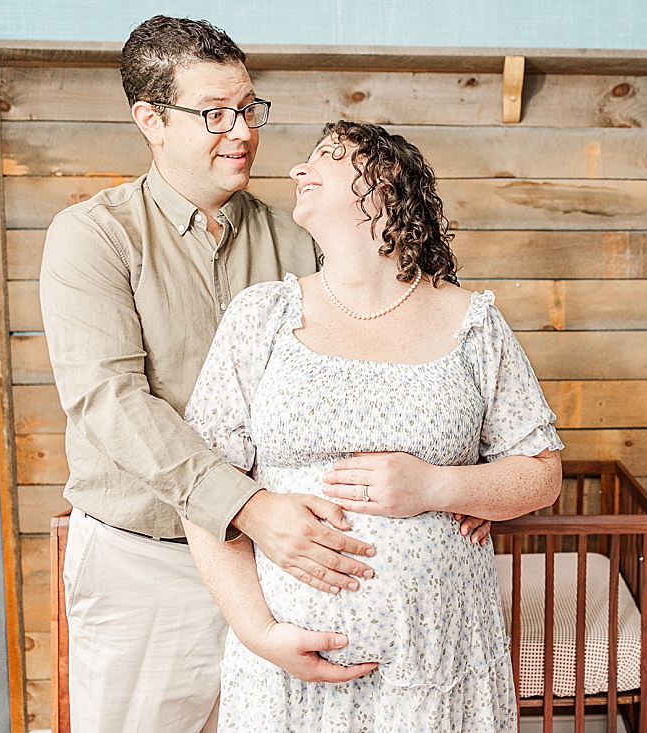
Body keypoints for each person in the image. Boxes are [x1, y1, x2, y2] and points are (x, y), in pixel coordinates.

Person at [39, 16, 487, 732]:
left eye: (248, 108)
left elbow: (380, 350)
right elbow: (111, 404)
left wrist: (463, 479)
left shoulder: (295, 239)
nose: (242, 131)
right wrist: (249, 506)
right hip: (147, 566)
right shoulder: (93, 237)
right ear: (150, 120)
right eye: (214, 114)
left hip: (282, 571)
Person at [181, 120, 563, 732]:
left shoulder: (473, 322)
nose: (298, 171)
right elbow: (204, 487)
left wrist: (438, 487)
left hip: (438, 662)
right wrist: (260, 633)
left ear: (383, 183)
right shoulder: (263, 315)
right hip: (291, 668)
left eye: (324, 158)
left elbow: (541, 476)